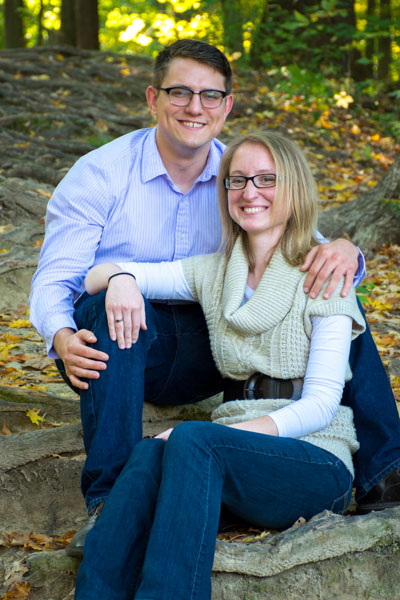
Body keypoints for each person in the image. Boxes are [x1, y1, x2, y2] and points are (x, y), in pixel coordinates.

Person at [29, 40, 400, 558]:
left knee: (330, 284)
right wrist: (64, 333)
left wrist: (345, 251)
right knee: (104, 310)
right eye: (179, 92)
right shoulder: (101, 172)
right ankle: (109, 503)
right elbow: (57, 277)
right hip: (128, 341)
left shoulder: (240, 174)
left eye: (210, 95)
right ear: (153, 99)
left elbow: (304, 249)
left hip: (215, 345)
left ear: (227, 105)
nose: (194, 107)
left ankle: (384, 471)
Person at [74, 131, 366, 599]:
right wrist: (123, 278)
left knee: (192, 440)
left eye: (266, 179)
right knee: (146, 455)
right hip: (224, 458)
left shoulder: (325, 275)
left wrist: (212, 437)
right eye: (237, 180)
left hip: (314, 461)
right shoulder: (213, 272)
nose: (250, 192)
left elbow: (321, 406)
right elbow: (94, 276)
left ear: (293, 188)